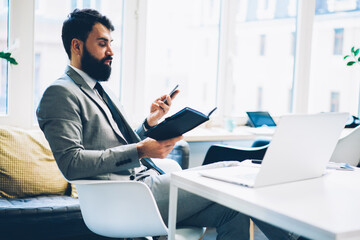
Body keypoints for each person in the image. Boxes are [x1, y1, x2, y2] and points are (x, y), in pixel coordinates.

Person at [37, 8, 302, 240]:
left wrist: (150, 123)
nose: (111, 52)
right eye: (102, 44)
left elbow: (116, 143)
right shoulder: (60, 93)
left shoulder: (97, 89)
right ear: (77, 45)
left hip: (146, 185)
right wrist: (141, 151)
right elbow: (72, 164)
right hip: (126, 197)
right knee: (232, 171)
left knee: (234, 209)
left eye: (111, 43)